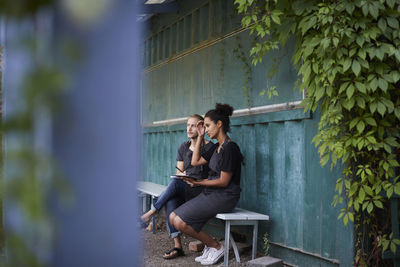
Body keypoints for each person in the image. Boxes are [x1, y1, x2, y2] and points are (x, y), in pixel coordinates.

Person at [170, 103, 244, 266]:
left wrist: (198, 182)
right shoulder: (216, 147)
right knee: (173, 217)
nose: (206, 129)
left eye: (208, 126)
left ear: (219, 124)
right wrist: (201, 137)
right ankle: (211, 246)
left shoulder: (230, 148)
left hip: (226, 195)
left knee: (181, 221)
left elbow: (224, 181)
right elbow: (195, 161)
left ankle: (217, 247)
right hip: (211, 193)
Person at [140, 114, 217, 259]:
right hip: (186, 188)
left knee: (175, 184)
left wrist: (192, 179)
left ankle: (151, 213)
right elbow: (179, 173)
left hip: (202, 191)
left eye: (193, 125)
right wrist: (184, 177)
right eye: (188, 125)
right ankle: (178, 247)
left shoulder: (209, 147)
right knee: (172, 198)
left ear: (201, 127)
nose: (189, 128)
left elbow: (214, 174)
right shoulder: (183, 147)